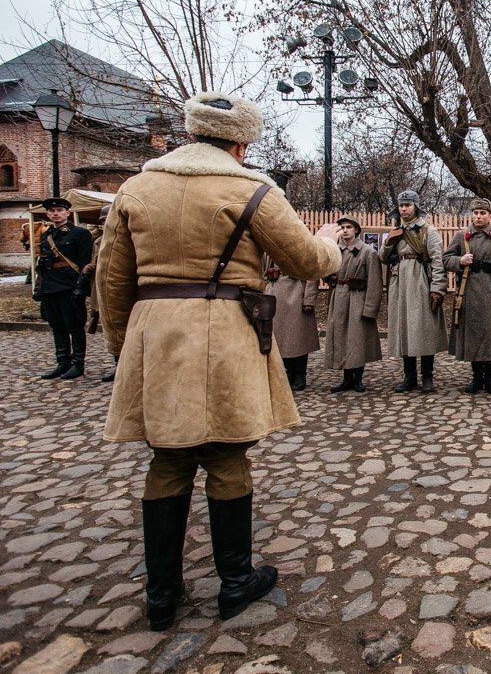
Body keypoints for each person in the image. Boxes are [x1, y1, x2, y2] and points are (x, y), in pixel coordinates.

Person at [97, 91, 342, 631]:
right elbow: (304, 259)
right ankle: (235, 582)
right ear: (241, 141)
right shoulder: (251, 188)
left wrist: (125, 349)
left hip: (157, 334)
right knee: (228, 457)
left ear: (191, 131)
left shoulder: (136, 188)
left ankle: (161, 594)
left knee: (168, 458)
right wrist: (329, 241)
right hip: (227, 331)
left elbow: (112, 281)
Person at [443, 198, 491, 394]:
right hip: (469, 293)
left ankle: (489, 377)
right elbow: (446, 259)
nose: (479, 216)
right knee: (473, 335)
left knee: (490, 336)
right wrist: (460, 260)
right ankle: (476, 377)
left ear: (490, 215)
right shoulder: (461, 236)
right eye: (475, 213)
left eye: (483, 213)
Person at [383, 190, 448, 393]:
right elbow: (383, 258)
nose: (404, 209)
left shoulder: (428, 231)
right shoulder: (395, 231)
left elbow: (438, 261)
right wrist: (388, 243)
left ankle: (427, 377)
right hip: (400, 282)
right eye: (401, 206)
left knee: (425, 329)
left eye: (408, 205)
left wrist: (437, 288)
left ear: (416, 207)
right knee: (404, 328)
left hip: (421, 281)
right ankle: (409, 376)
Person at [35, 196, 94, 380]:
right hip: (50, 286)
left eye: (59, 210)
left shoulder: (80, 234)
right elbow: (42, 266)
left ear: (68, 213)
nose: (55, 214)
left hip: (69, 286)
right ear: (47, 214)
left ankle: (78, 364)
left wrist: (80, 288)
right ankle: (63, 363)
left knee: (75, 326)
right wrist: (40, 288)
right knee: (57, 327)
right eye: (52, 211)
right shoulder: (47, 235)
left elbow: (86, 263)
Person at [324, 215, 382, 393]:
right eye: (342, 227)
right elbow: (325, 271)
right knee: (341, 337)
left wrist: (371, 307)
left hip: (358, 298)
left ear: (356, 230)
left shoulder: (367, 252)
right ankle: (346, 378)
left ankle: (358, 379)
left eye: (349, 227)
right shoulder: (334, 250)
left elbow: (375, 282)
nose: (345, 230)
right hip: (339, 297)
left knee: (357, 339)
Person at [266, 266, 320, 391]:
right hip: (276, 292)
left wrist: (309, 299)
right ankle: (288, 374)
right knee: (280, 338)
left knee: (298, 337)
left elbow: (313, 271)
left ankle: (300, 375)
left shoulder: (306, 246)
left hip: (296, 292)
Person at [86, 204, 118, 383]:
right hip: (101, 288)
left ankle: (123, 366)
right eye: (103, 221)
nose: (106, 224)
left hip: (118, 288)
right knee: (109, 328)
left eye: (108, 220)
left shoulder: (124, 236)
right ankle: (117, 364)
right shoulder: (98, 241)